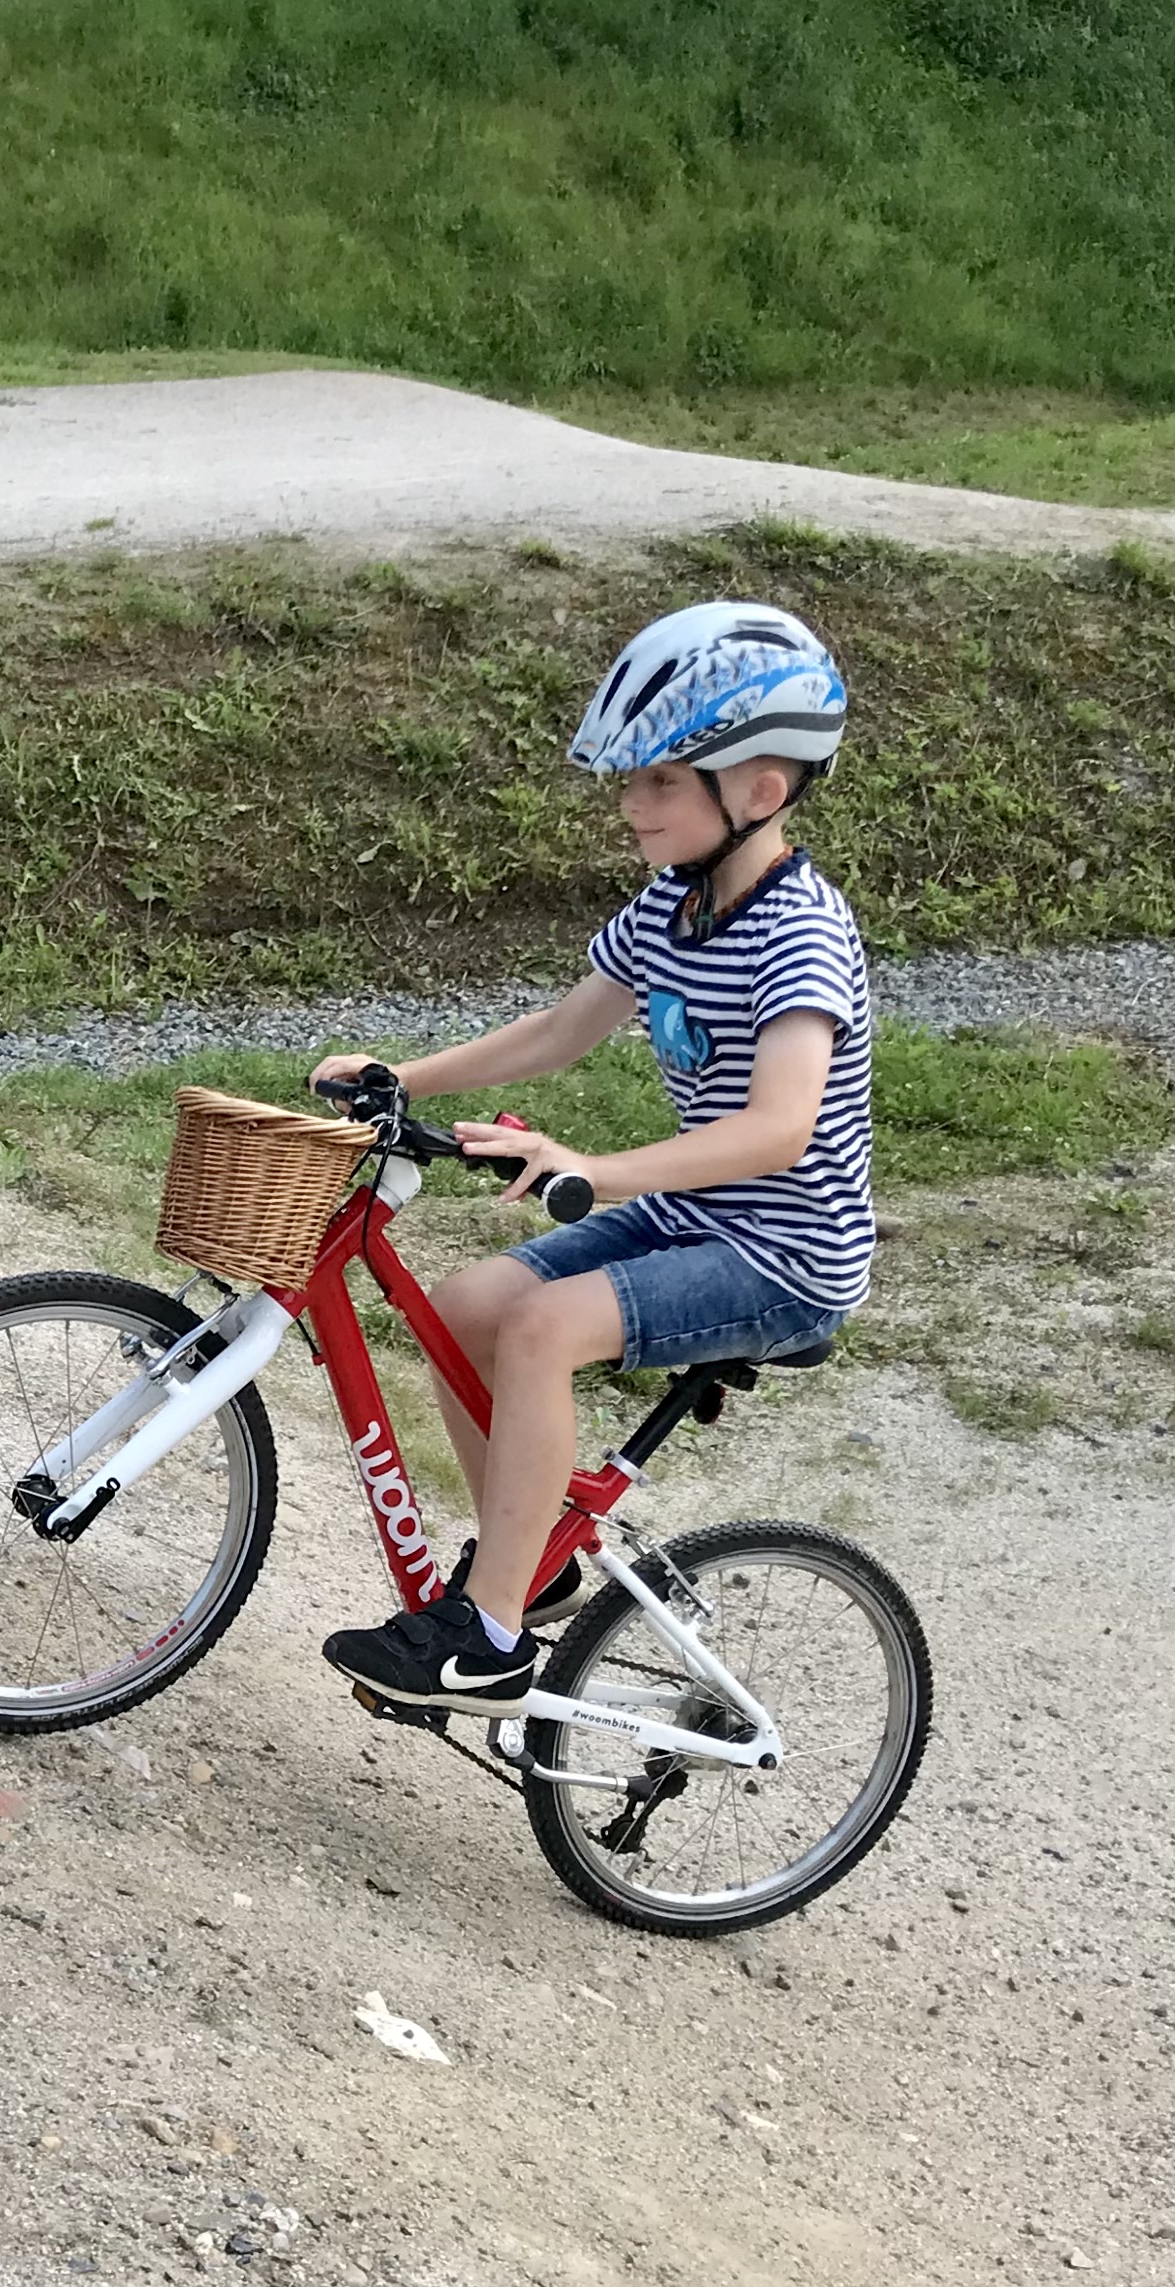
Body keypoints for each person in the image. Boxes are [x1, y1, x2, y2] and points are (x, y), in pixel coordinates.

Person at [314, 599, 873, 1714]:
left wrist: (596, 1169)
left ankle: (488, 1635)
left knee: (539, 1327)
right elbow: (561, 1029)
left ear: (759, 791)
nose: (630, 803)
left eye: (660, 781)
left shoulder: (800, 929)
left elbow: (781, 1129)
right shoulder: (674, 903)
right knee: (464, 1308)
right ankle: (531, 1564)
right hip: (694, 1218)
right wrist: (401, 1076)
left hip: (785, 1253)